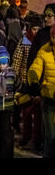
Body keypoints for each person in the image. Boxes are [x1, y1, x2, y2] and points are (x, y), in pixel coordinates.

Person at [12, 15, 43, 149]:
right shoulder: (24, 41)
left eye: (38, 29)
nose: (35, 32)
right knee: (26, 113)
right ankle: (26, 136)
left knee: (37, 114)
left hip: (38, 82)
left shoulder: (42, 42)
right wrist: (15, 78)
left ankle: (36, 139)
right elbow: (17, 61)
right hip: (25, 82)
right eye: (34, 29)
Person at [28, 24, 55, 158]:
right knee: (50, 134)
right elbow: (35, 67)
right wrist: (33, 81)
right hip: (49, 97)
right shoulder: (44, 51)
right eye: (53, 35)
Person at [28, 4, 55, 69]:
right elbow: (32, 57)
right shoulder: (40, 34)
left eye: (49, 16)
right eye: (45, 15)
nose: (45, 19)